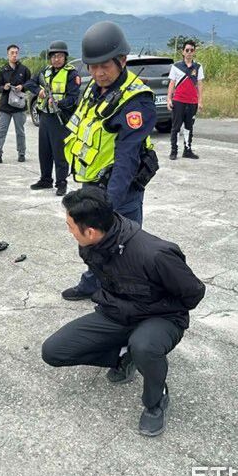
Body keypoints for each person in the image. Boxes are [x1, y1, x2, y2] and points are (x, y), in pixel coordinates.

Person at [42, 187, 205, 437]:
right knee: (54, 351)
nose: (69, 231)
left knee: (145, 345)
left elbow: (194, 292)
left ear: (91, 231)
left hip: (162, 317)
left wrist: (147, 310)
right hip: (117, 312)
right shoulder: (90, 245)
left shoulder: (154, 254)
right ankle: (123, 356)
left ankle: (156, 400)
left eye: (70, 226)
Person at [60, 22, 157, 301]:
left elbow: (127, 159)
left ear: (122, 60)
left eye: (105, 66)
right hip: (93, 181)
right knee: (94, 241)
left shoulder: (135, 101)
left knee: (122, 246)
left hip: (121, 188)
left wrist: (107, 205)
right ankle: (93, 283)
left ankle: (121, 297)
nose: (99, 73)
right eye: (93, 66)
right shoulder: (95, 88)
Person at [24, 41, 80, 196]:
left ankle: (61, 183)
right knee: (44, 151)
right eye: (54, 56)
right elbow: (29, 83)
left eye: (60, 56)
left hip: (60, 118)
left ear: (65, 57)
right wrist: (39, 91)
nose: (56, 59)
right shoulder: (45, 71)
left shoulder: (71, 74)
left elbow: (74, 98)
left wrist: (58, 103)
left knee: (60, 153)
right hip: (45, 117)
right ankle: (46, 179)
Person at [0, 44, 32, 164]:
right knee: (2, 130)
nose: (14, 55)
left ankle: (21, 153)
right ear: (7, 54)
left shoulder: (24, 70)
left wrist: (22, 86)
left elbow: (30, 84)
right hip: (5, 106)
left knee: (20, 131)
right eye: (12, 52)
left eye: (16, 52)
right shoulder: (3, 70)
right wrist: (5, 87)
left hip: (19, 106)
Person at [167, 39, 204, 160]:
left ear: (194, 52)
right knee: (176, 127)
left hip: (192, 102)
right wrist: (169, 99)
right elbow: (172, 84)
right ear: (183, 52)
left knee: (189, 126)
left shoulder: (198, 67)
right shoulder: (176, 66)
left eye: (191, 50)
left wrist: (200, 101)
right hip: (178, 101)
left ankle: (187, 150)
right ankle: (174, 151)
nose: (189, 52)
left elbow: (200, 84)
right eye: (187, 50)